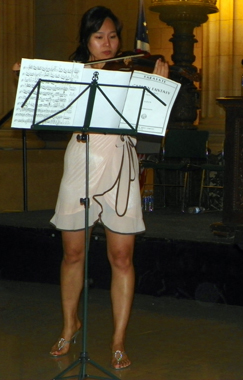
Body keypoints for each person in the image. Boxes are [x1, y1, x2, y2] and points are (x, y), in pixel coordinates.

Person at [23, 6, 168, 370]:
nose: (107, 44)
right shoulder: (75, 73)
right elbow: (28, 80)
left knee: (121, 257)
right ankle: (70, 323)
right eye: (99, 37)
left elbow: (152, 124)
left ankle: (118, 340)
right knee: (73, 253)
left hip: (120, 162)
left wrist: (161, 80)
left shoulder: (132, 72)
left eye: (113, 36)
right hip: (81, 159)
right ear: (86, 40)